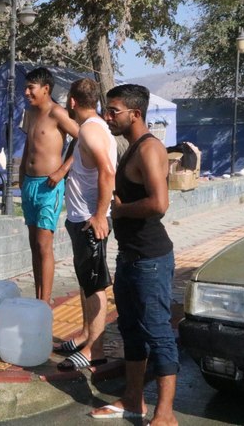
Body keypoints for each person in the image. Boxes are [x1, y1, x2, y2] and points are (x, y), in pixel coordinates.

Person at [90, 84, 178, 426]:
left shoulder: (149, 149)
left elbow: (160, 203)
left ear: (135, 114)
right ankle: (133, 399)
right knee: (131, 331)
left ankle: (166, 414)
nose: (107, 116)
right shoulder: (130, 148)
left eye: (114, 111)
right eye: (107, 110)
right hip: (130, 257)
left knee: (158, 333)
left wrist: (120, 212)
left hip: (151, 260)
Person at [55, 78, 116, 371]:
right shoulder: (91, 128)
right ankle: (84, 335)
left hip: (90, 221)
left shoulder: (92, 130)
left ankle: (96, 350)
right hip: (80, 217)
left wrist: (100, 215)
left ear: (72, 102)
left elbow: (107, 171)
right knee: (86, 280)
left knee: (95, 286)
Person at [19, 67, 79, 303]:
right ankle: (37, 297)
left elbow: (84, 139)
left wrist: (63, 170)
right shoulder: (31, 113)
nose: (26, 92)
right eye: (26, 87)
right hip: (29, 185)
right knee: (34, 244)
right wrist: (22, 172)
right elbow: (29, 143)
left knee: (45, 244)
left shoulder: (58, 113)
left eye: (30, 88)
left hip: (49, 186)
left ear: (46, 89)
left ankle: (45, 302)